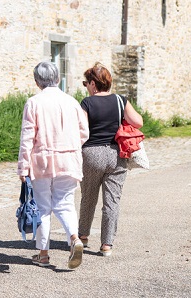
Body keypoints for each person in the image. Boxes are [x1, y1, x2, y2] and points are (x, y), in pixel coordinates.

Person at [18, 61, 89, 269]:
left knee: (42, 207)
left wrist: (23, 167)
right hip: (69, 159)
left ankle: (43, 253)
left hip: (42, 161)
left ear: (36, 81)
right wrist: (70, 145)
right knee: (65, 203)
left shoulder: (34, 102)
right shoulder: (72, 102)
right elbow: (84, 132)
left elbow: (27, 138)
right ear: (57, 78)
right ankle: (74, 238)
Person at [77, 63, 144, 257]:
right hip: (117, 154)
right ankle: (107, 244)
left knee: (88, 197)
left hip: (92, 153)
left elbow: (80, 129)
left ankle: (83, 237)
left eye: (85, 83)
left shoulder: (86, 103)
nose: (86, 87)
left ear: (93, 83)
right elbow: (138, 122)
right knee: (112, 200)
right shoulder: (121, 100)